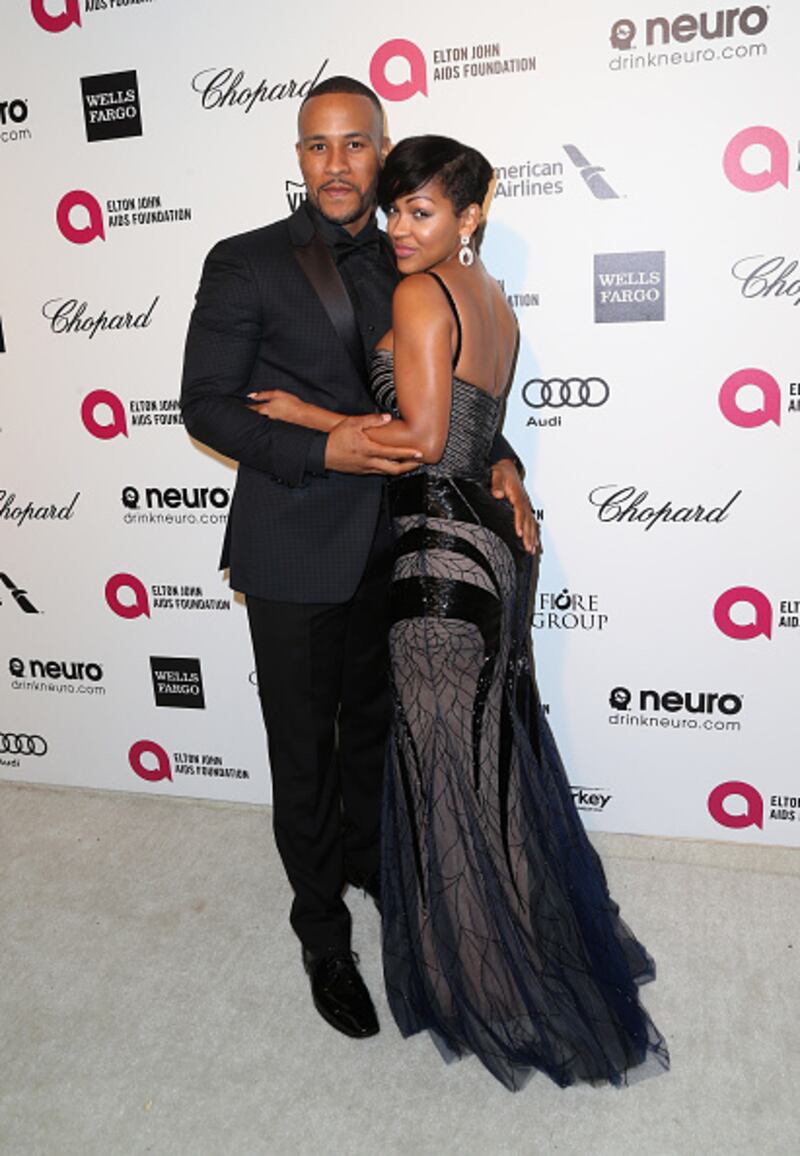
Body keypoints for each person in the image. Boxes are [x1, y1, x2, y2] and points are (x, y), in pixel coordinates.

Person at [268, 134, 671, 1091]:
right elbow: (478, 430)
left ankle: (489, 981)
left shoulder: (420, 295)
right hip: (491, 548)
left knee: (447, 771)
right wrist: (503, 465)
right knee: (492, 761)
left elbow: (419, 438)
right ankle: (526, 934)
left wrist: (303, 415)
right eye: (395, 210)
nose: (400, 229)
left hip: (437, 562)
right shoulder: (492, 300)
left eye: (422, 211)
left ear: (470, 215)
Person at [180, 78, 532, 1043]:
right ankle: (322, 937)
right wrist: (322, 446)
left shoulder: (412, 257)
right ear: (299, 157)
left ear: (383, 149)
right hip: (293, 543)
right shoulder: (246, 261)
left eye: (355, 144)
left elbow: (441, 393)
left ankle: (375, 866)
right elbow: (206, 405)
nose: (336, 165)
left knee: (376, 734)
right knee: (305, 754)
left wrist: (502, 458)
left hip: (403, 544)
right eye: (317, 146)